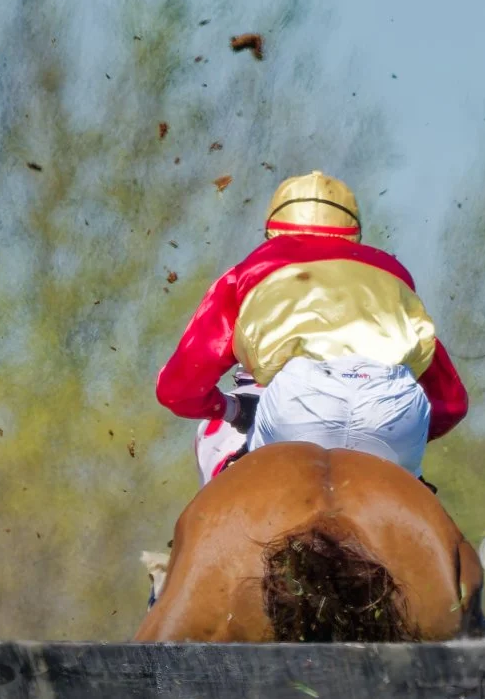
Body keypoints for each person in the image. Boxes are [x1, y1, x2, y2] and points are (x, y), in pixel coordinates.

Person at [155, 172, 467, 478]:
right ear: (353, 233)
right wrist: (400, 433)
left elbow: (178, 390)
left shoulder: (249, 270)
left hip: (298, 405)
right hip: (392, 408)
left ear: (273, 232)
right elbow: (451, 403)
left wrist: (233, 410)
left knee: (236, 480)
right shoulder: (393, 276)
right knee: (415, 508)